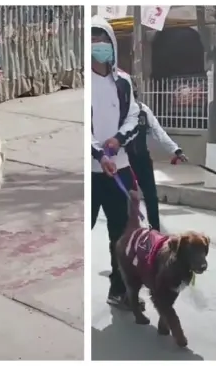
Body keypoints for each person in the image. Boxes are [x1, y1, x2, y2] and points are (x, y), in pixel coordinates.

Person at [91, 15, 141, 309]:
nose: (99, 45)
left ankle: (120, 289)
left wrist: (119, 140)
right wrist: (98, 153)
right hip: (92, 172)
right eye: (93, 40)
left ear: (112, 44)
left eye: (103, 39)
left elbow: (135, 115)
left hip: (119, 169)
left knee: (122, 235)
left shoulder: (123, 81)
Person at [125, 78, 188, 231]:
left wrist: (176, 150)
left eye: (133, 90)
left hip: (142, 161)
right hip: (123, 162)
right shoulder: (118, 112)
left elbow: (159, 132)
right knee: (126, 199)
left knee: (151, 198)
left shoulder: (143, 111)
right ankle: (127, 231)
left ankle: (155, 233)